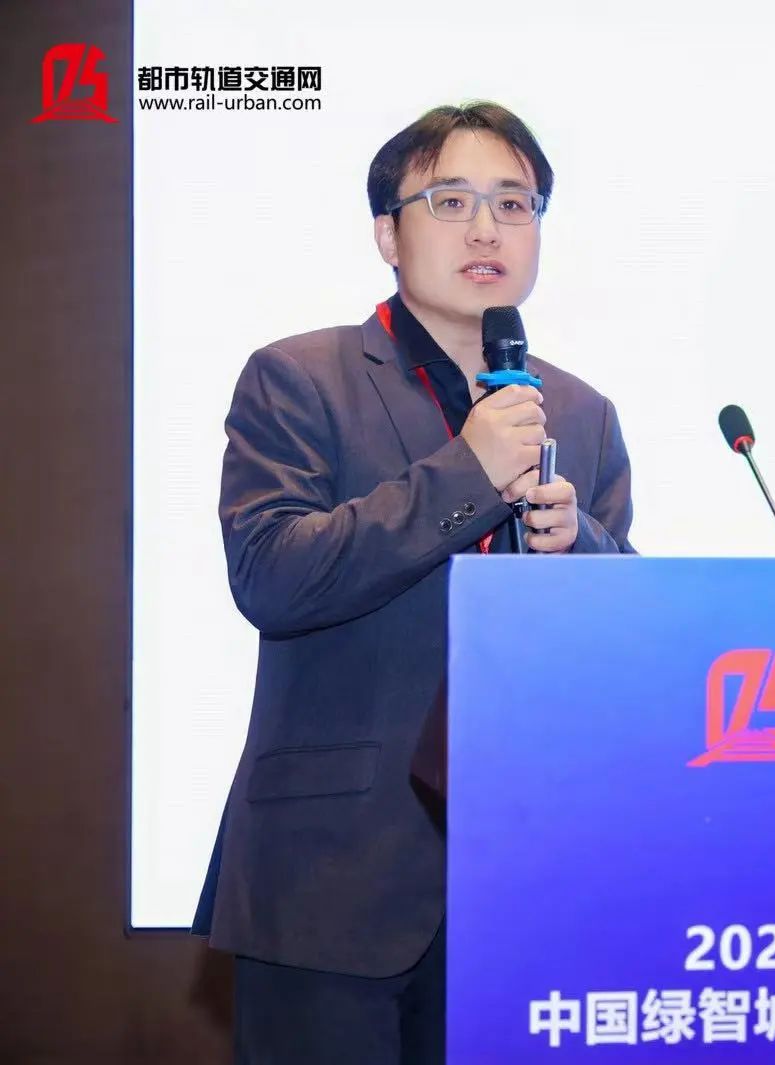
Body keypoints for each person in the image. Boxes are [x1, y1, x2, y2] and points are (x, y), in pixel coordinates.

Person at [191, 101, 635, 1064]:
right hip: (330, 880)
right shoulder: (300, 378)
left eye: (514, 204)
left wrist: (584, 546)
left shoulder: (583, 413)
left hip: (526, 881)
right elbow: (272, 575)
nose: (487, 229)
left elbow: (629, 637)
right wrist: (468, 472)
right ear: (388, 234)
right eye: (452, 201)